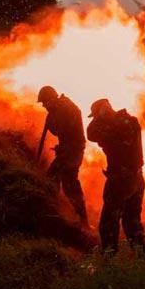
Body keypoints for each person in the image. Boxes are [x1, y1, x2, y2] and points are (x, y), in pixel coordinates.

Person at [86, 98, 145, 254]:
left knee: (108, 222)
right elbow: (92, 134)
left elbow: (91, 133)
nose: (96, 119)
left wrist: (104, 114)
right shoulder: (129, 121)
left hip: (121, 180)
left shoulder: (118, 125)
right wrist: (104, 114)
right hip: (136, 178)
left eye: (96, 115)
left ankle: (109, 259)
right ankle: (142, 255)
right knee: (131, 221)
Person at [37, 85, 87, 225]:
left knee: (67, 183)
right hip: (68, 150)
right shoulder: (60, 107)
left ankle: (80, 219)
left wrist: (51, 122)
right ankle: (58, 213)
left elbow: (61, 129)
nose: (44, 106)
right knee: (57, 179)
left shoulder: (65, 108)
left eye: (45, 102)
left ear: (50, 98)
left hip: (73, 150)